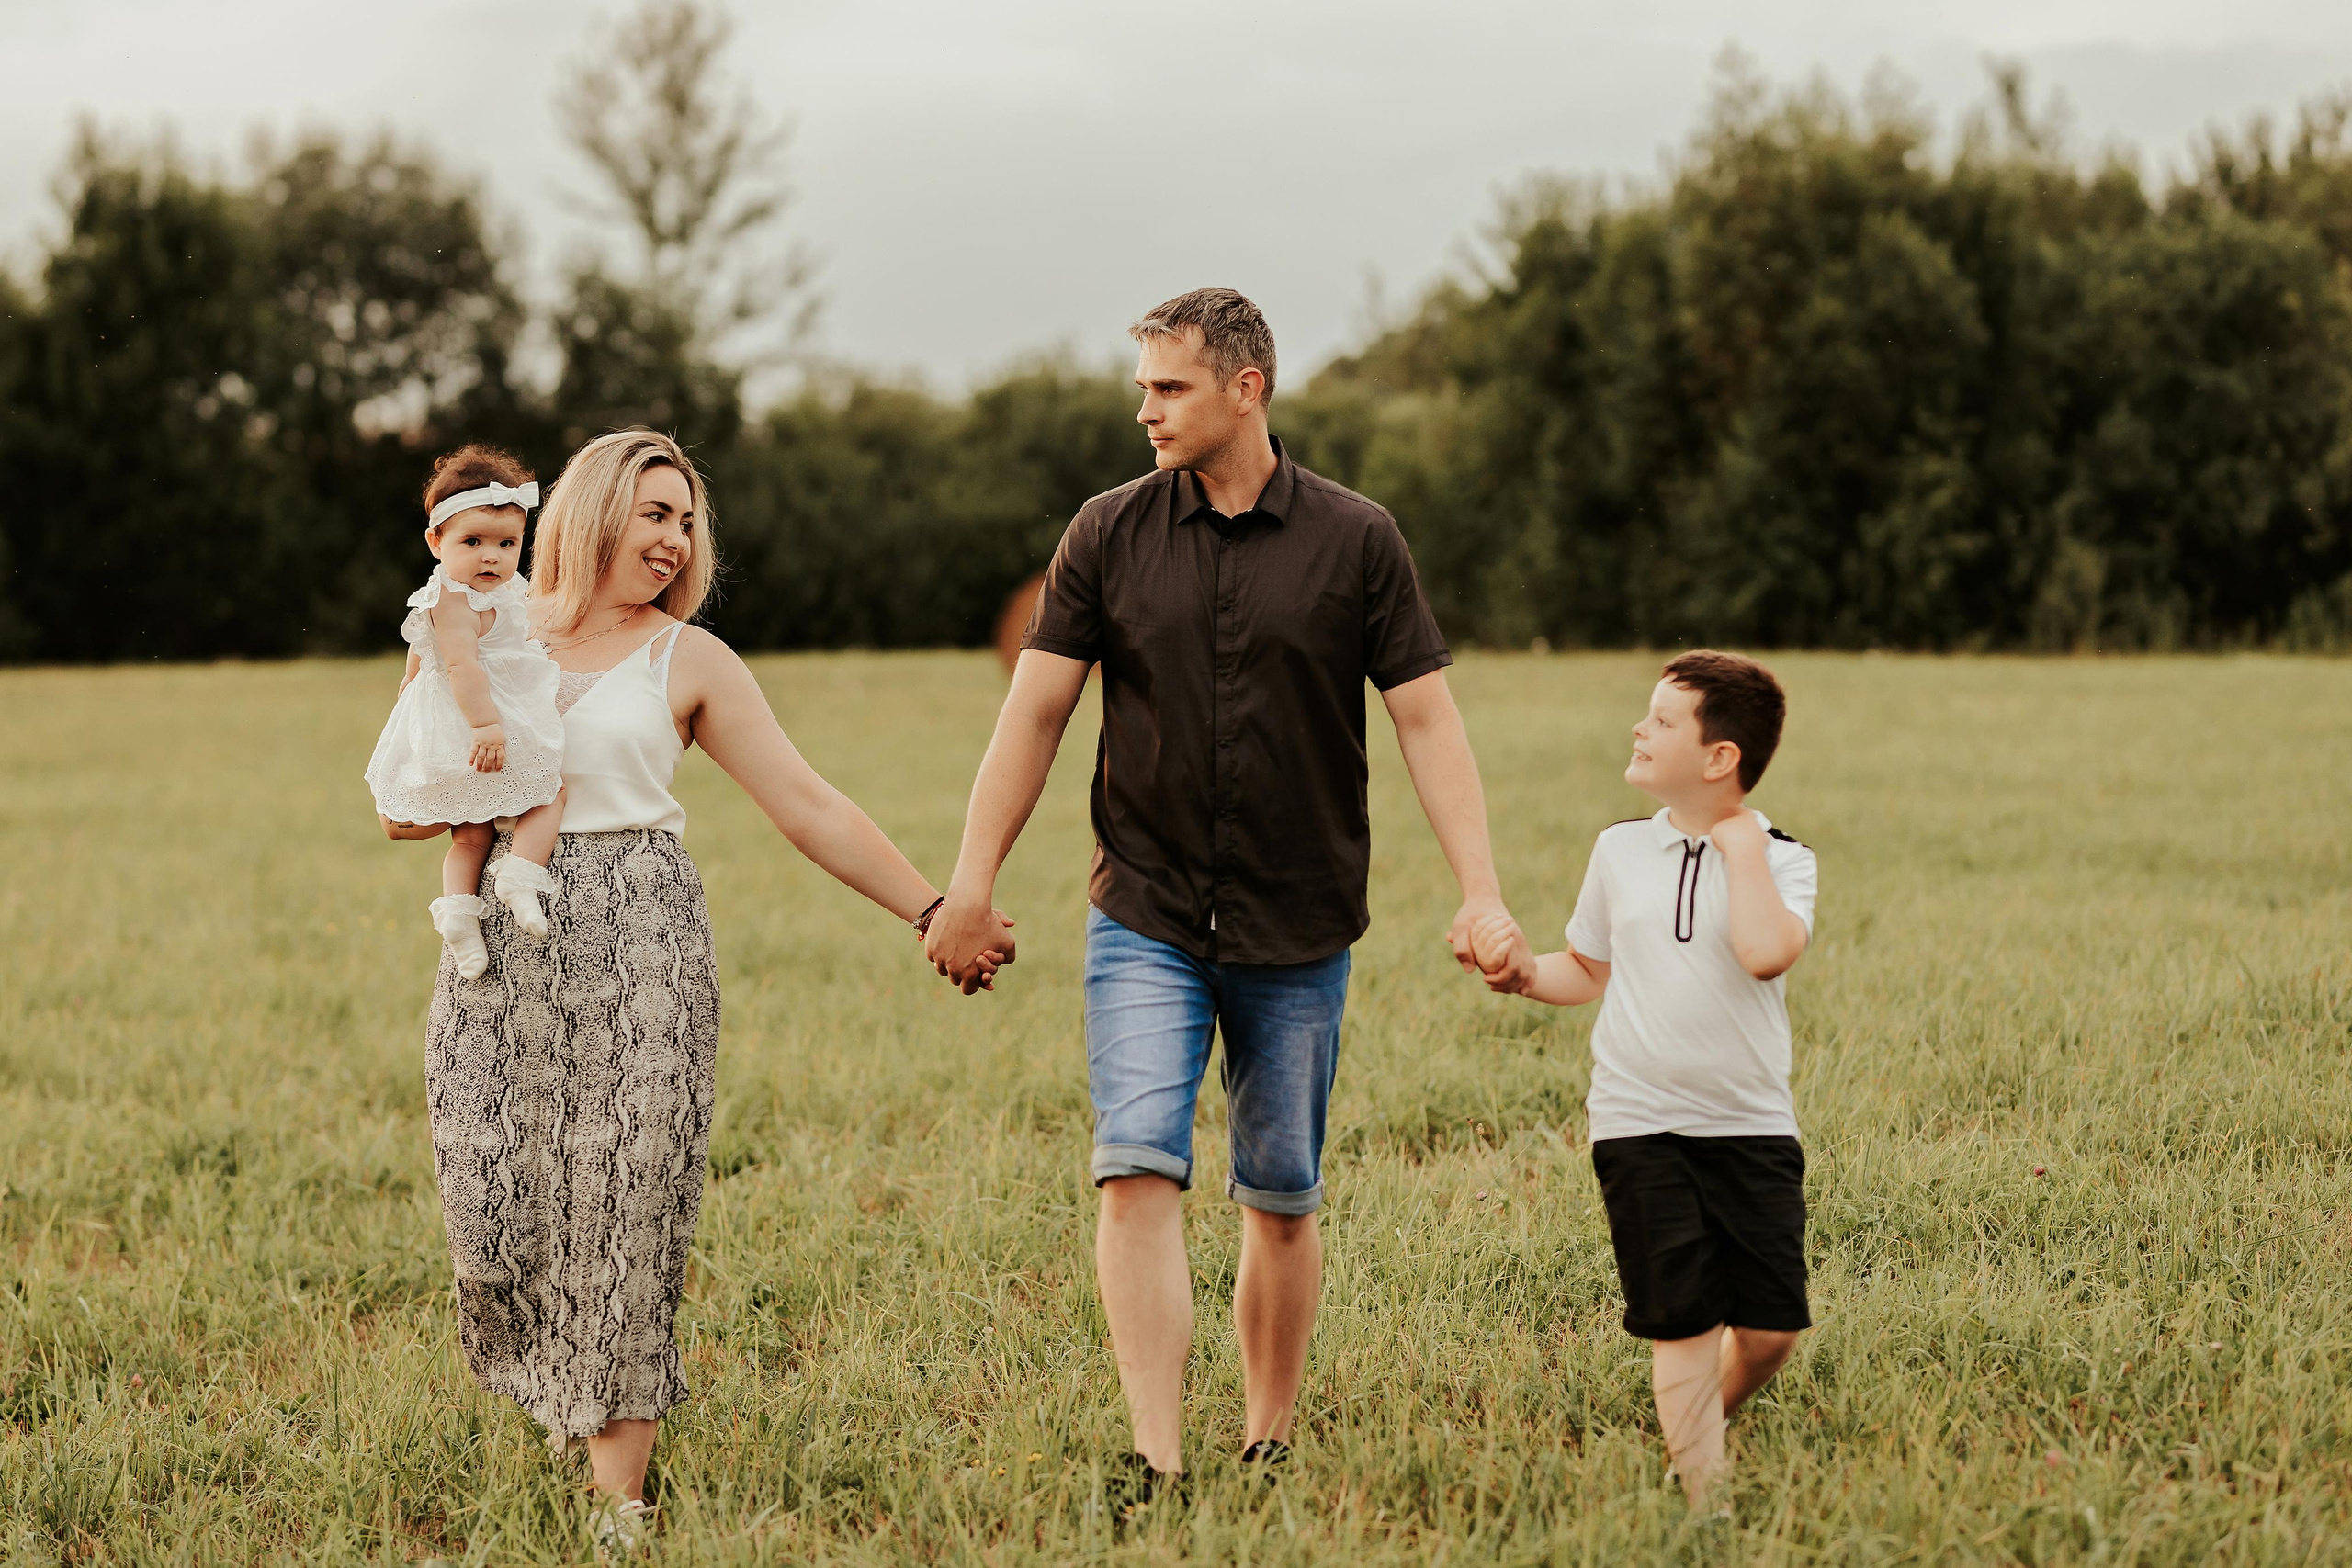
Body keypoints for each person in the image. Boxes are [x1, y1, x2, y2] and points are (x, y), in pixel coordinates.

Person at [925, 288, 1538, 1502]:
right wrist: (969, 882)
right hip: (1144, 911)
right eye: (1144, 385)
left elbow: (1426, 718)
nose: (1144, 408)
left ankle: (1267, 1437)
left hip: (1301, 921)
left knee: (1280, 1191)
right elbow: (1036, 708)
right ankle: (1154, 1450)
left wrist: (1482, 890)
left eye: (1169, 387)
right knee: (1136, 1163)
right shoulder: (1104, 530)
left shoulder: (1360, 539)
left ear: (1244, 388)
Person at [380, 429, 1009, 1554]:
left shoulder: (691, 660)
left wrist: (931, 908)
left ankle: (618, 1501)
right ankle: (557, 1398)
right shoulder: (479, 626)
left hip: (642, 935)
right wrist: (457, 781)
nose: (672, 541)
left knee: (626, 1202)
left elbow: (807, 805)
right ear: (588, 514)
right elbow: (398, 802)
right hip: (497, 945)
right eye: (652, 514)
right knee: (493, 1208)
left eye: (685, 521)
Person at [1474, 650, 1816, 1514]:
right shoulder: (1619, 848)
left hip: (1750, 1124)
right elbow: (1587, 967)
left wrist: (1738, 847)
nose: (1640, 727)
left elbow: (1766, 951)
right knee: (1683, 1321)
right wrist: (1521, 973)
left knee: (1771, 1330)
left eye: (1663, 720)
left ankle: (1692, 1428)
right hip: (1638, 1120)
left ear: (1719, 758)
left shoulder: (1783, 859)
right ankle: (1705, 1496)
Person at [365, 446, 566, 978]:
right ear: (436, 542)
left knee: (472, 833)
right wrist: (486, 726)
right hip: (475, 722)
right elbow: (461, 668)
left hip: (475, 717)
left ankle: (459, 917)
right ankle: (520, 876)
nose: (490, 558)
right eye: (472, 542)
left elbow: (413, 668)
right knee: (550, 789)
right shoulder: (452, 601)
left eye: (507, 544)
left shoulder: (494, 592)